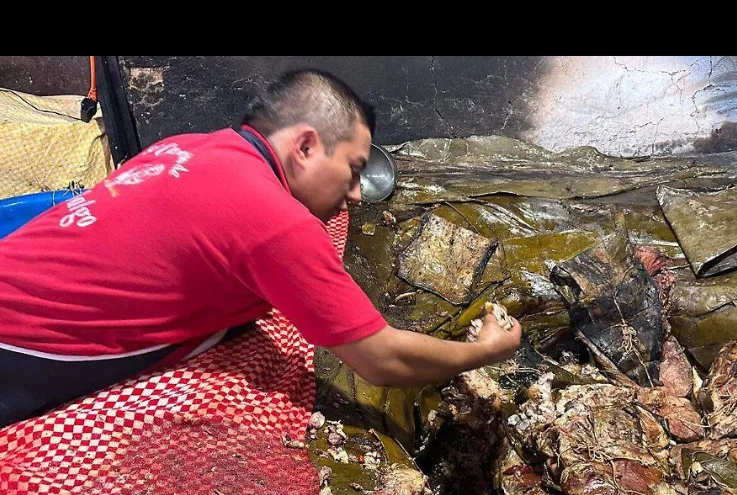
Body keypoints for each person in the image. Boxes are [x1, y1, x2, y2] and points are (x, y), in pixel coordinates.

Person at [0, 69, 521, 428]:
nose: (356, 194)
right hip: (18, 346)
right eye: (353, 170)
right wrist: (484, 352)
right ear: (306, 146)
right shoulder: (276, 222)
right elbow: (383, 360)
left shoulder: (185, 145)